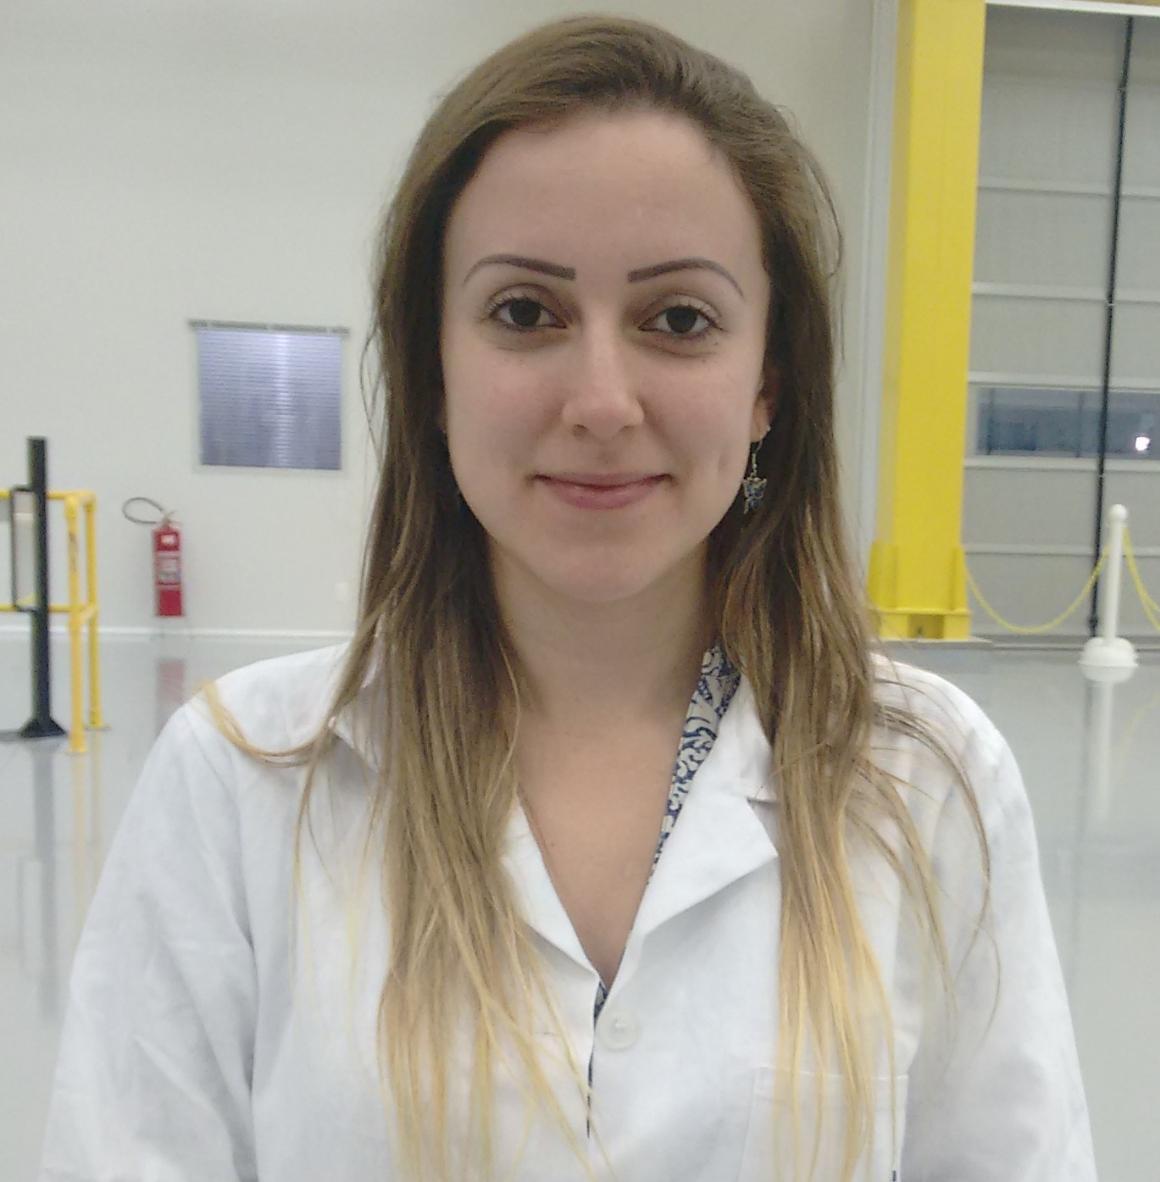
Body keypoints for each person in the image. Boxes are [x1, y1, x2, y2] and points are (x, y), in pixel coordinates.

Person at [40, 15, 1096, 1182]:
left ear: (765, 389)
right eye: (524, 313)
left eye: (677, 320)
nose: (599, 399)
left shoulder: (923, 777)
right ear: (432, 373)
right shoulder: (239, 781)